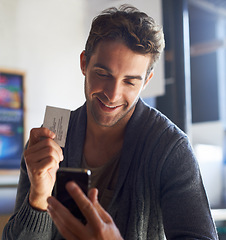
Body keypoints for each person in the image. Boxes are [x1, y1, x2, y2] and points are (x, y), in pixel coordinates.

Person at [3, 4, 218, 240]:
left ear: (147, 81)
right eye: (103, 74)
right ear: (84, 63)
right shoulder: (49, 139)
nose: (112, 95)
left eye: (130, 82)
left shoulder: (170, 149)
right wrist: (39, 197)